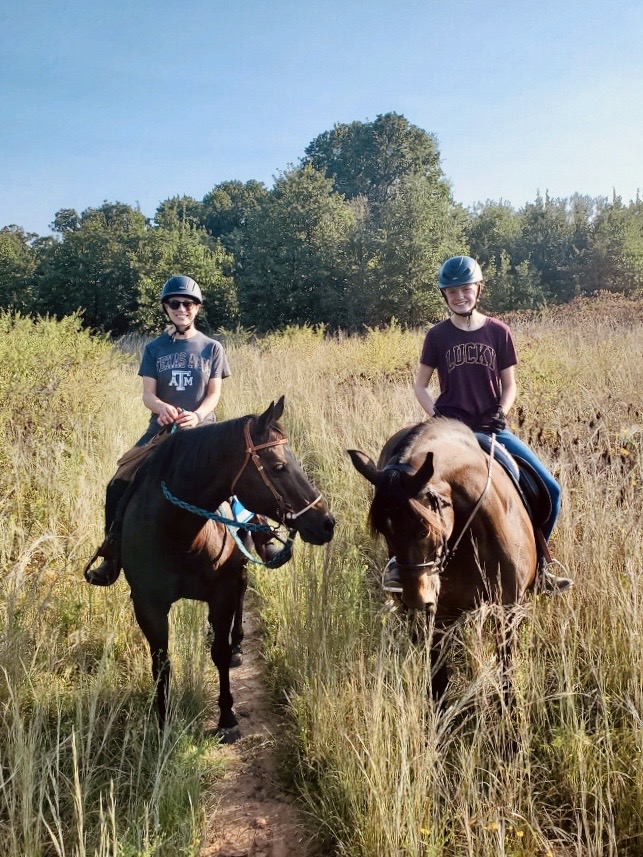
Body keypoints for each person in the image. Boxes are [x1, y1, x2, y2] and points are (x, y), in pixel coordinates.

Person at [384, 255, 572, 595]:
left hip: (491, 429)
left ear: (478, 290)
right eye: (452, 291)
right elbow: (421, 385)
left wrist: (503, 408)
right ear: (444, 295)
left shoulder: (499, 332)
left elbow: (510, 383)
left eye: (465, 289)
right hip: (451, 432)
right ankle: (399, 565)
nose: (460, 297)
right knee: (406, 490)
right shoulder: (437, 336)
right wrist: (435, 414)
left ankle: (542, 565)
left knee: (551, 489)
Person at [85, 275, 289, 586]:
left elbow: (214, 394)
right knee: (119, 482)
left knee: (244, 475)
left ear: (197, 308)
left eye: (188, 303)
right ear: (166, 308)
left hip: (206, 432)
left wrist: (197, 416)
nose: (182, 308)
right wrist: (161, 409)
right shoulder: (155, 348)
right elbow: (148, 394)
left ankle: (264, 542)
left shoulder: (212, 347)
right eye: (175, 303)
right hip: (162, 432)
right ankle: (112, 554)